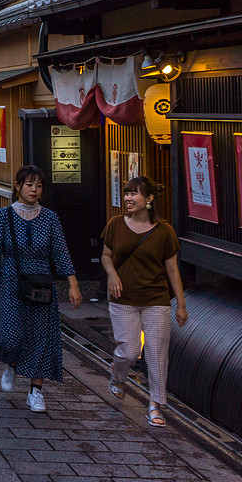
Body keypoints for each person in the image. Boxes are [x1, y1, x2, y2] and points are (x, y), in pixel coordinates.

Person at [0, 165, 82, 413]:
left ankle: (36, 392)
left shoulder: (50, 218)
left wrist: (73, 284)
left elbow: (60, 251)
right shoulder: (3, 216)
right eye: (29, 184)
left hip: (41, 282)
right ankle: (11, 362)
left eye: (38, 186)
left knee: (41, 337)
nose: (34, 189)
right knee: (12, 335)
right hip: (11, 280)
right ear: (17, 186)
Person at [101, 176, 186, 428]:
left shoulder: (165, 231)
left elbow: (172, 270)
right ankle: (118, 377)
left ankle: (155, 404)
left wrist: (180, 304)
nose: (128, 198)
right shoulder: (115, 224)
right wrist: (112, 274)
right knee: (128, 350)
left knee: (157, 354)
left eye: (134, 193)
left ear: (149, 199)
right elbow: (106, 256)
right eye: (126, 193)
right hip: (123, 298)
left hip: (156, 300)